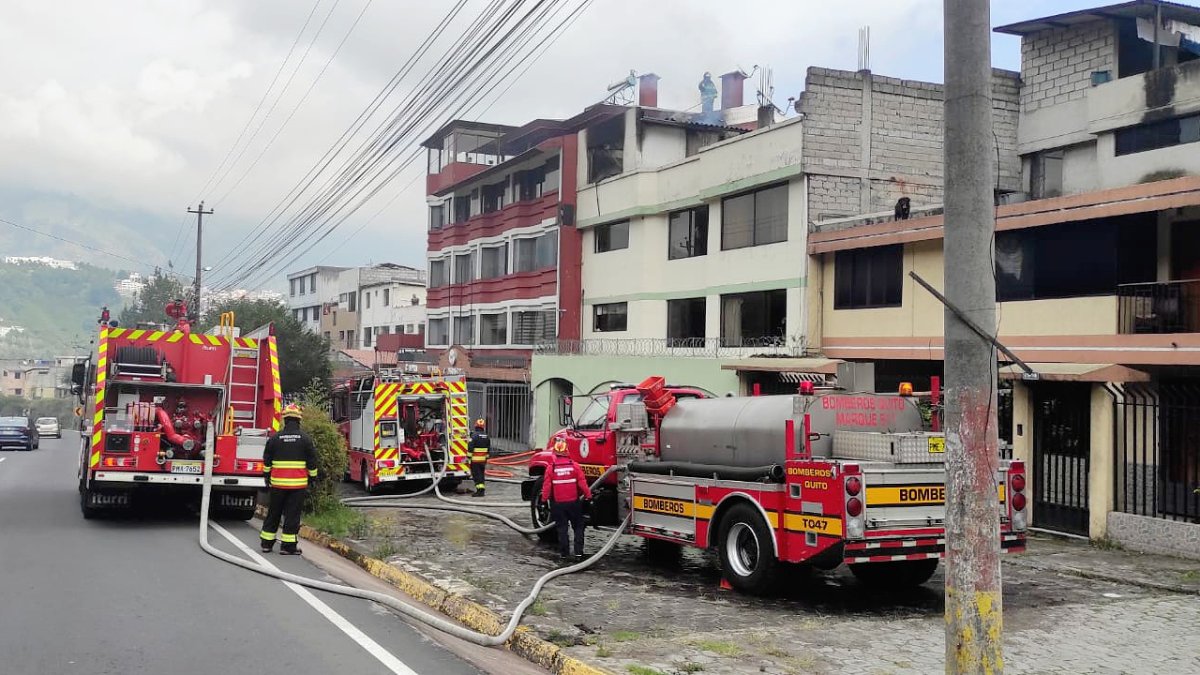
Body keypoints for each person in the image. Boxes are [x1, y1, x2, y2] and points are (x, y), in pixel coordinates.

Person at [260, 404, 320, 554]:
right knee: (292, 516)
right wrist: (313, 478)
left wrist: (267, 477)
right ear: (299, 420)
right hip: (297, 486)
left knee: (273, 513)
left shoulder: (275, 439)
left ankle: (266, 544)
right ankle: (287, 547)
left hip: (277, 485)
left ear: (285, 420)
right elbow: (312, 462)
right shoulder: (305, 439)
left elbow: (266, 461)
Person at [541, 439, 593, 561]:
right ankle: (579, 554)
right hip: (573, 503)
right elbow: (583, 484)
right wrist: (589, 497)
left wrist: (543, 501)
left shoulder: (551, 468)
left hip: (558, 505)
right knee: (578, 527)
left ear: (555, 452)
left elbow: (547, 487)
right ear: (566, 451)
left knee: (562, 529)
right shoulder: (574, 466)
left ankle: (564, 555)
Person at [468, 419, 490, 497]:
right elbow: (488, 450)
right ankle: (482, 490)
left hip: (475, 461)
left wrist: (468, 458)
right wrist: (485, 459)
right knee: (481, 475)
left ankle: (479, 492)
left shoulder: (474, 436)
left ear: (476, 426)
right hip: (482, 461)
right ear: (483, 427)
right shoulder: (487, 436)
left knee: (476, 476)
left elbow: (470, 448)